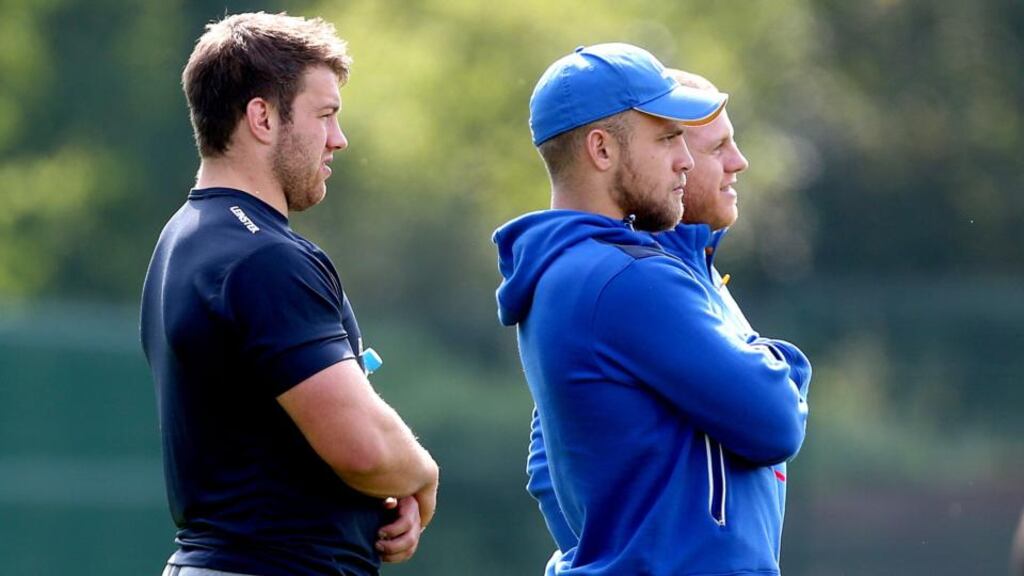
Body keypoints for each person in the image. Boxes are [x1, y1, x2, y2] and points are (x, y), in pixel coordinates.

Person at [493, 43, 812, 575]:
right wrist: (783, 362)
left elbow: (547, 470)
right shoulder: (626, 277)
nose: (684, 157)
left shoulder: (586, 270)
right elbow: (775, 420)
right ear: (601, 150)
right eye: (666, 138)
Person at [140, 13, 438, 576]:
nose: (339, 139)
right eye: (324, 115)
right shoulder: (264, 258)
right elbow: (364, 449)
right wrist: (422, 471)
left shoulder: (185, 237)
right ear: (262, 117)